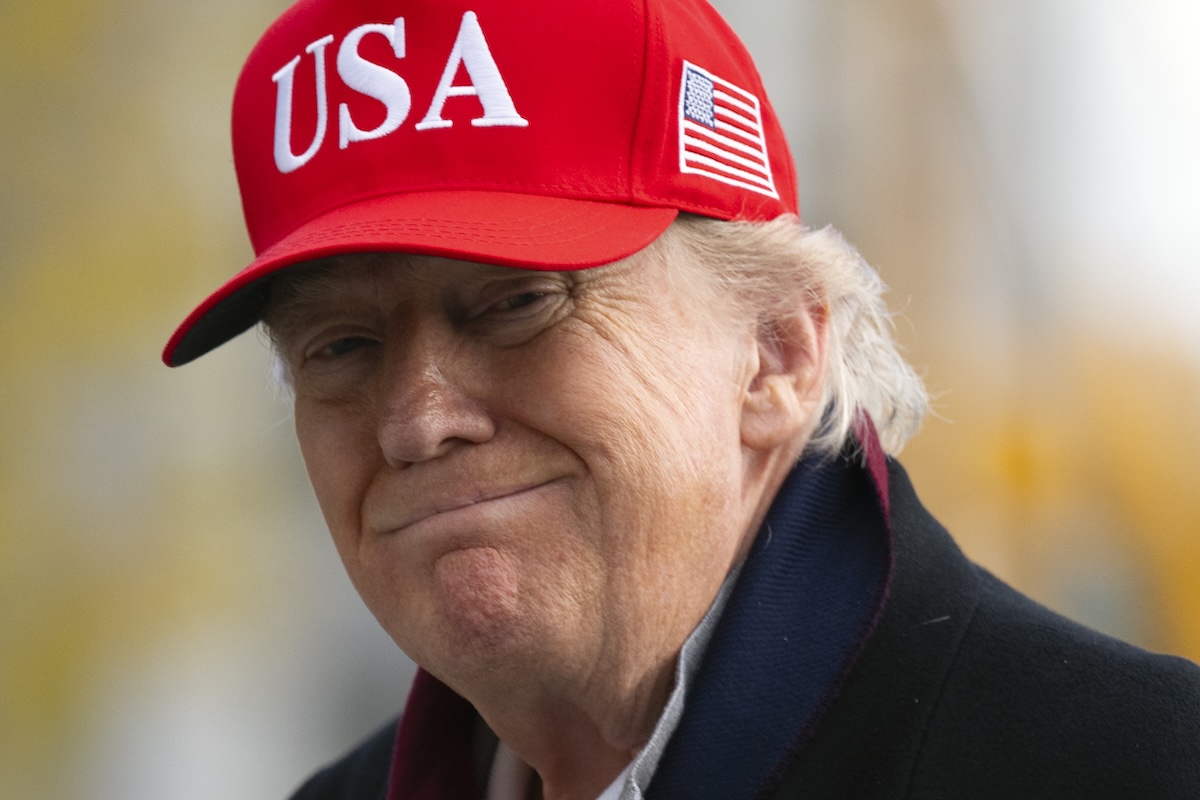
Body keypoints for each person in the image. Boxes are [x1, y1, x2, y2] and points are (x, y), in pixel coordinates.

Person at [163, 0, 1200, 797]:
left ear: (777, 352)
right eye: (341, 346)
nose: (417, 419)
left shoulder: (1136, 766)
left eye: (518, 303)